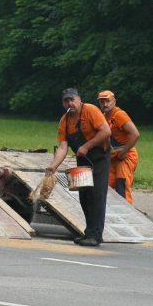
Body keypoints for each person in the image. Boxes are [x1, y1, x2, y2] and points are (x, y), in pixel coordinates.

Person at [45, 87, 111, 246]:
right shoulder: (65, 121)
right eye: (66, 100)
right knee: (84, 196)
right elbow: (62, 147)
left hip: (99, 158)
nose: (70, 103)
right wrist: (52, 166)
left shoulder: (91, 110)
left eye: (72, 99)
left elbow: (106, 132)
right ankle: (88, 232)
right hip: (83, 159)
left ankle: (95, 236)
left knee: (96, 195)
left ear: (79, 99)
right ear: (63, 103)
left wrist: (87, 146)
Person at [97, 90, 140, 203]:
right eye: (102, 102)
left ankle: (127, 215)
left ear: (114, 101)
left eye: (107, 101)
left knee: (121, 184)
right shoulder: (103, 116)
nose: (105, 104)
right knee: (107, 187)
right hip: (112, 157)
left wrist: (123, 153)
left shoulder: (119, 115)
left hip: (126, 156)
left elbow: (135, 134)